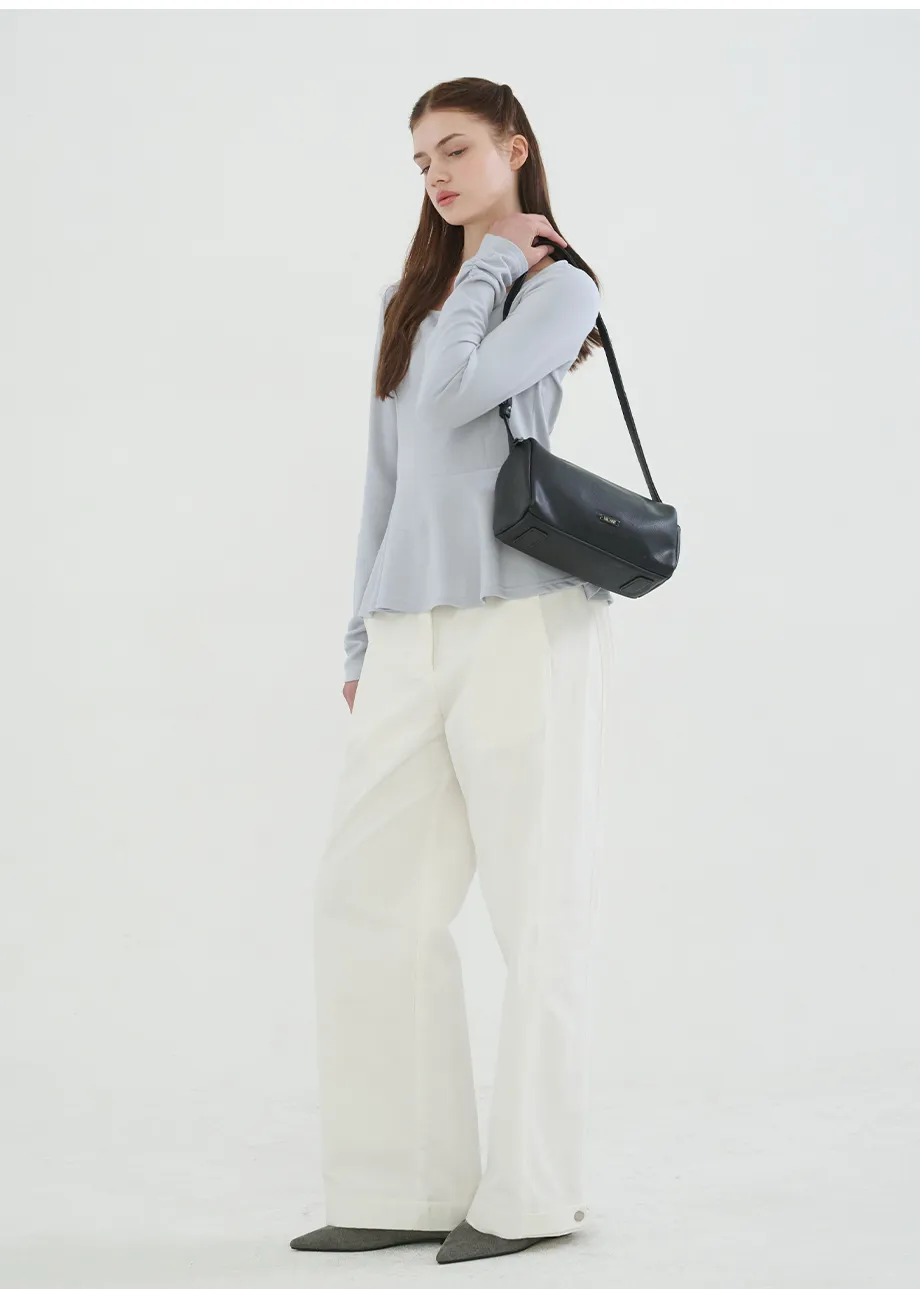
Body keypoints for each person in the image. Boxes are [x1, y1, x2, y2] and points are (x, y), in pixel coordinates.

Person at [291, 77, 616, 1266]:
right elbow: (388, 472)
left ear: (513, 149)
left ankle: (532, 1191)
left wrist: (492, 265)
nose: (433, 173)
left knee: (536, 908)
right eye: (420, 159)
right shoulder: (406, 299)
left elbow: (453, 400)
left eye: (455, 149)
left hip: (522, 621)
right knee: (365, 897)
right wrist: (359, 633)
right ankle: (403, 1182)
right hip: (408, 629)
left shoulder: (557, 285)